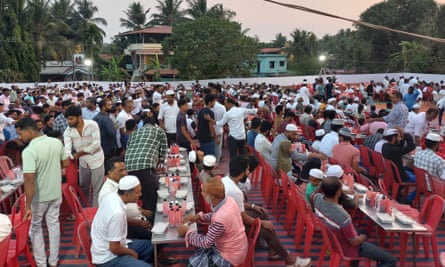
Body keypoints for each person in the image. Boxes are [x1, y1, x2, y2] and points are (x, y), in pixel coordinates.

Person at [221, 155, 311, 267]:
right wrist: (263, 223)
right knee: (269, 230)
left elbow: (236, 205)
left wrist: (253, 206)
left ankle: (273, 250)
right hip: (232, 227)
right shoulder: (235, 191)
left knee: (262, 213)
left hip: (230, 219)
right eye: (247, 169)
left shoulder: (225, 181)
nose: (249, 172)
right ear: (242, 171)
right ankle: (289, 259)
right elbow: (244, 218)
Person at [98, 157, 178, 265]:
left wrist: (140, 210)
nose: (124, 173)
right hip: (110, 254)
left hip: (122, 238)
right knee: (153, 236)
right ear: (109, 172)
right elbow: (114, 248)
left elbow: (129, 208)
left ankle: (155, 257)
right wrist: (131, 253)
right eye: (120, 170)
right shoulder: (109, 198)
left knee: (157, 230)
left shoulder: (118, 191)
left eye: (125, 169)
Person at [17, 117, 69, 267]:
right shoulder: (56, 142)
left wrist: (27, 205)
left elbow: (30, 180)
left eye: (20, 134)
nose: (20, 138)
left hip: (39, 198)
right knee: (53, 225)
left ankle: (41, 263)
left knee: (35, 227)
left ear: (28, 131)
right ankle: (53, 261)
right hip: (55, 193)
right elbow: (65, 163)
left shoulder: (29, 151)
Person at [313, 177, 396, 267]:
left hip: (333, 240)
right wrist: (363, 238)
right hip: (347, 248)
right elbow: (354, 242)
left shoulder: (316, 199)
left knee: (363, 232)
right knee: (390, 260)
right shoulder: (343, 216)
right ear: (338, 192)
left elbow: (315, 193)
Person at [179, 177, 248, 267]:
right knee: (199, 251)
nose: (202, 193)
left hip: (231, 256)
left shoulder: (221, 218)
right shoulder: (229, 200)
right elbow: (216, 215)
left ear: (212, 197)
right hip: (239, 247)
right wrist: (200, 217)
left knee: (194, 262)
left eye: (204, 192)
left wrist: (187, 233)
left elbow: (207, 243)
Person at [91, 175, 153, 267]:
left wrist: (139, 222)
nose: (140, 195)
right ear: (127, 194)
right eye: (137, 192)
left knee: (151, 246)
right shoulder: (117, 213)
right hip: (108, 258)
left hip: (116, 245)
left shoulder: (112, 196)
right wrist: (132, 253)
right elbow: (114, 248)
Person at [125, 112, 168, 214]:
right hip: (146, 168)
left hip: (129, 168)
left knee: (135, 198)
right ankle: (150, 224)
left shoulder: (134, 132)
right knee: (150, 196)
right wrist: (160, 162)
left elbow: (128, 147)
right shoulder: (159, 131)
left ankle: (137, 219)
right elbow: (164, 151)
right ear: (154, 124)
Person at [64, 105, 105, 207]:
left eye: (71, 119)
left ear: (79, 117)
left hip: (97, 160)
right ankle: (86, 209)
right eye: (67, 119)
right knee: (84, 187)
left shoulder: (92, 125)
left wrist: (80, 153)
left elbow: (96, 145)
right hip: (83, 162)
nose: (69, 122)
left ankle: (95, 211)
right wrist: (70, 156)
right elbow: (67, 150)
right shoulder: (68, 131)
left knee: (97, 188)